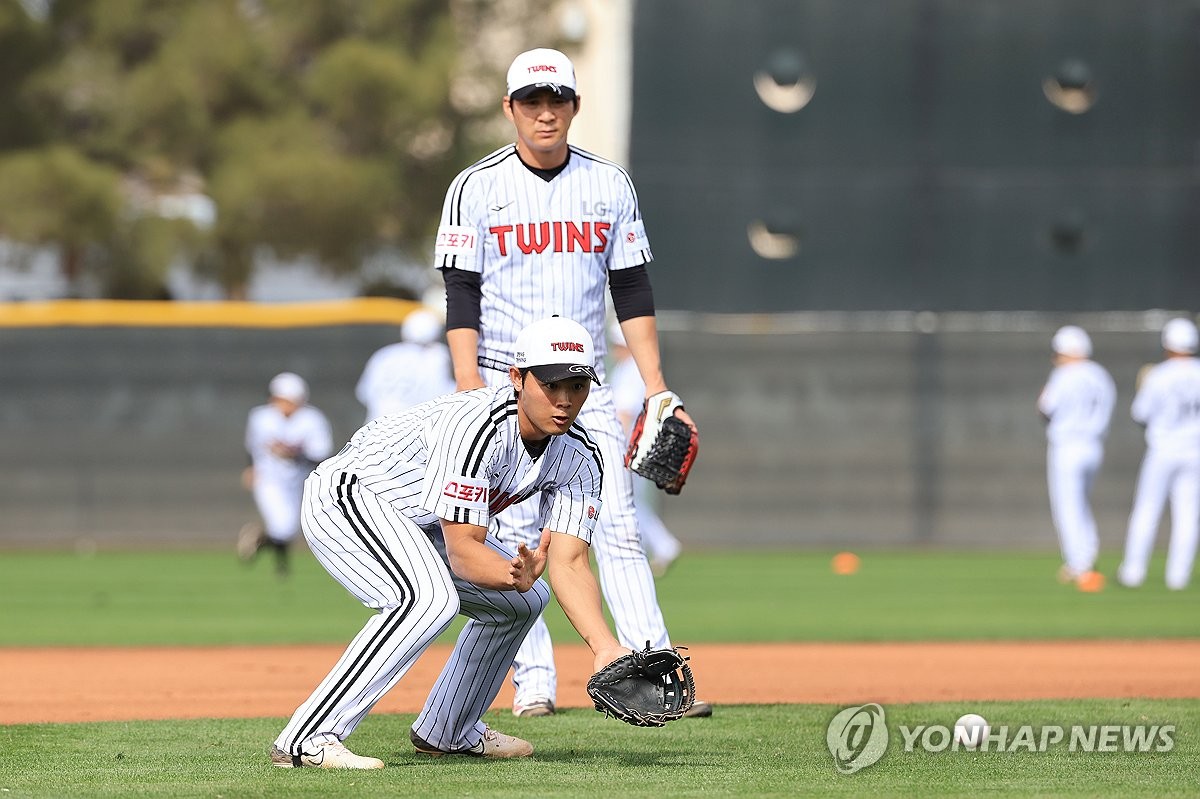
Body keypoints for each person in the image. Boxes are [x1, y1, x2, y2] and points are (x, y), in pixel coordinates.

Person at [434, 47, 710, 719]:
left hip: (583, 387)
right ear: (510, 109)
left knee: (616, 524)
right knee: (517, 534)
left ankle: (651, 670)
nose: (545, 111)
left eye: (557, 98)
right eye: (531, 100)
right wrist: (470, 382)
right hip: (505, 386)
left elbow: (632, 288)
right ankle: (533, 684)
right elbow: (460, 294)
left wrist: (656, 385)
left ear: (575, 106)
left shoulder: (609, 184)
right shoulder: (476, 186)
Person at [269, 316, 628, 769]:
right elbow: (463, 554)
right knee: (426, 598)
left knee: (525, 600)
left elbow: (571, 563)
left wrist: (604, 647)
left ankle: (449, 730)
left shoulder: (580, 454)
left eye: (576, 385)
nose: (564, 399)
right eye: (551, 383)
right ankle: (307, 738)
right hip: (352, 494)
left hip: (421, 523)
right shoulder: (478, 427)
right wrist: (506, 572)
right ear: (517, 378)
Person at [1117, 317, 1200, 590]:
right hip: (1195, 451)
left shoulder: (1159, 374)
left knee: (1147, 509)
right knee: (1187, 515)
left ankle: (1133, 572)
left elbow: (1139, 414)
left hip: (1163, 449)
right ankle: (1178, 577)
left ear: (1168, 344)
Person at [1036, 325, 1116, 586]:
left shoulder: (1063, 374)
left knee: (1067, 507)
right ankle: (1087, 555)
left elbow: (1045, 410)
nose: (1055, 358)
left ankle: (1079, 565)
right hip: (1094, 446)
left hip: (1067, 446)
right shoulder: (1101, 375)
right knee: (1081, 504)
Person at [239, 372, 333, 576]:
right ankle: (279, 565)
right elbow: (252, 446)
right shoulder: (261, 416)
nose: (281, 403)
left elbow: (320, 455)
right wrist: (250, 467)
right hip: (268, 479)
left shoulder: (312, 419)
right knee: (283, 524)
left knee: (289, 526)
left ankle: (271, 557)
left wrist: (294, 455)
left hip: (298, 479)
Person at [609, 320, 683, 576]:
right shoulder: (629, 369)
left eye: (618, 344)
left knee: (625, 503)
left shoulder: (630, 370)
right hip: (638, 446)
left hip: (628, 446)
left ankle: (648, 549)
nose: (615, 349)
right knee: (631, 502)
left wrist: (616, 448)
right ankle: (660, 547)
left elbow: (624, 413)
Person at [355, 307, 455, 423]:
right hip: (410, 431)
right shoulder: (437, 356)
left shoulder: (385, 354)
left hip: (375, 429)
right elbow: (443, 395)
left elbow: (363, 393)